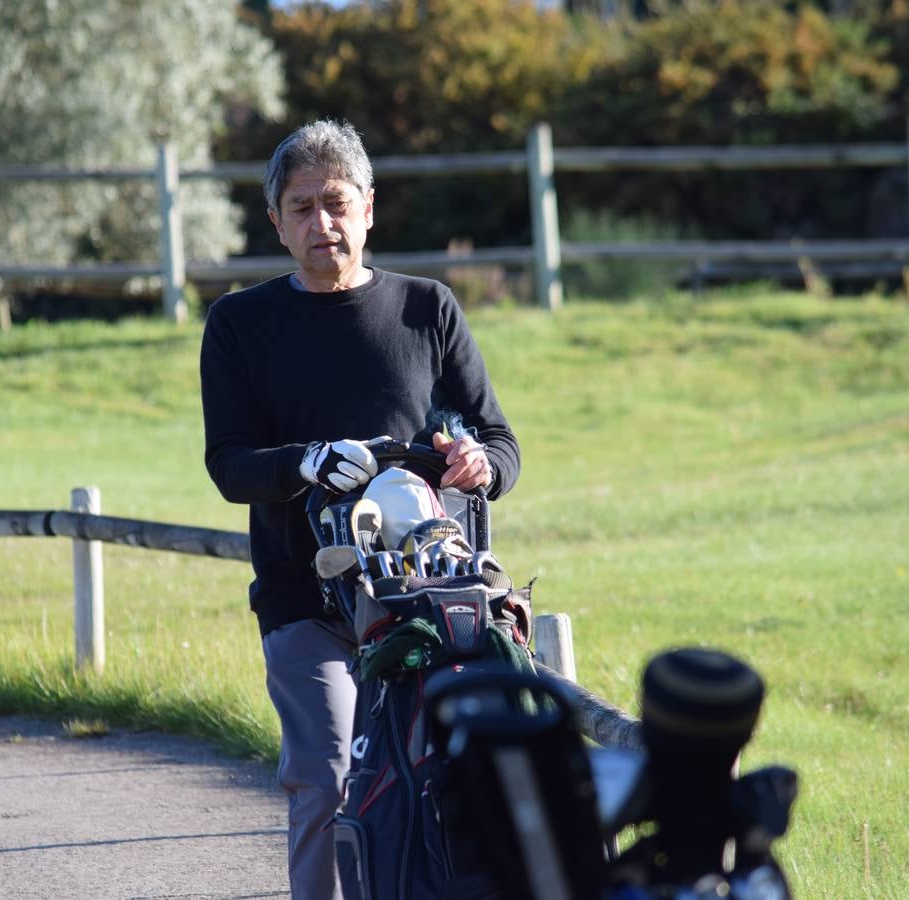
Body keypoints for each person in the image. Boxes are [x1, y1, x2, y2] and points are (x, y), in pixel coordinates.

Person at [199, 119, 520, 899]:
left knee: (463, 775)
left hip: (429, 599)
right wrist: (306, 464)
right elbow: (230, 465)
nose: (323, 224)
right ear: (274, 221)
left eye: (336, 203)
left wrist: (479, 464)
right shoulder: (240, 324)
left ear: (369, 207)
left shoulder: (428, 309)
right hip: (303, 597)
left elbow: (501, 446)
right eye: (301, 207)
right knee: (328, 773)